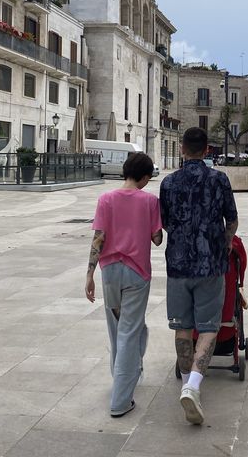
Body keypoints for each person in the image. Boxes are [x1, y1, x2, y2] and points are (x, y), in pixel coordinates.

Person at [160, 127, 239, 425]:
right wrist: (226, 240)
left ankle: (185, 384)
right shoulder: (219, 179)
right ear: (207, 150)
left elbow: (165, 221)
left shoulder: (167, 183)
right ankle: (193, 386)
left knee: (182, 328)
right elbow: (231, 219)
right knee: (208, 327)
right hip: (211, 265)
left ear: (182, 149)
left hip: (178, 265)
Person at [85, 153, 163, 418]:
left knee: (118, 329)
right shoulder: (150, 201)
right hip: (137, 273)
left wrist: (89, 275)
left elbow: (99, 238)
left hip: (109, 272)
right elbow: (157, 239)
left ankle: (125, 375)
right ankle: (121, 399)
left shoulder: (105, 199)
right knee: (129, 332)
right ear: (144, 177)